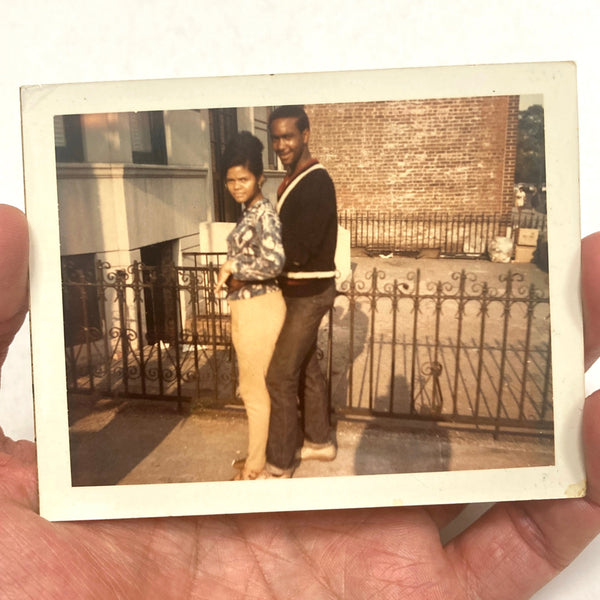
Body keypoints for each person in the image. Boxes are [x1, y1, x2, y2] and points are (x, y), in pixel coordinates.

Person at [2, 205, 600, 598]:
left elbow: (300, 266)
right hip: (275, 311)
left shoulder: (300, 232)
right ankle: (292, 449)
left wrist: (276, 283)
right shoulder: (263, 228)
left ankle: (289, 452)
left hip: (290, 309)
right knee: (275, 384)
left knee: (284, 383)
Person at [263, 105, 338, 478]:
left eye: (288, 136)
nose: (281, 144)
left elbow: (300, 249)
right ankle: (320, 442)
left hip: (309, 293)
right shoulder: (297, 177)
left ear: (305, 135)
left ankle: (279, 462)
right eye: (275, 137)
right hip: (300, 291)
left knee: (279, 376)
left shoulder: (315, 181)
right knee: (307, 368)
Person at [214, 132, 286, 480]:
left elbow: (275, 262)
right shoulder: (249, 213)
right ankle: (258, 456)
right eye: (230, 180)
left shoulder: (264, 215)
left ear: (260, 178)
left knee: (255, 390)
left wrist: (234, 269)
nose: (236, 186)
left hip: (261, 310)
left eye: (243, 179)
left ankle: (256, 467)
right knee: (250, 386)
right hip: (247, 308)